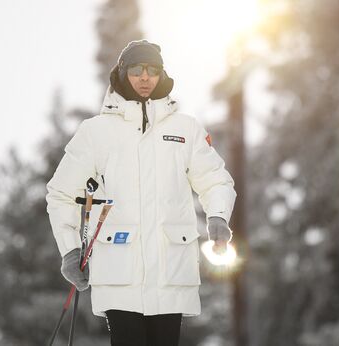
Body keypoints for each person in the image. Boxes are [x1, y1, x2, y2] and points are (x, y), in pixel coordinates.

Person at [45, 39, 237, 346]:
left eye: (153, 70)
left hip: (171, 272)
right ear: (122, 73)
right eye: (136, 69)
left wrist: (217, 216)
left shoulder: (186, 129)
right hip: (119, 271)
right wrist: (70, 249)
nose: (145, 77)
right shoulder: (96, 132)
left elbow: (215, 180)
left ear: (162, 75)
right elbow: (61, 194)